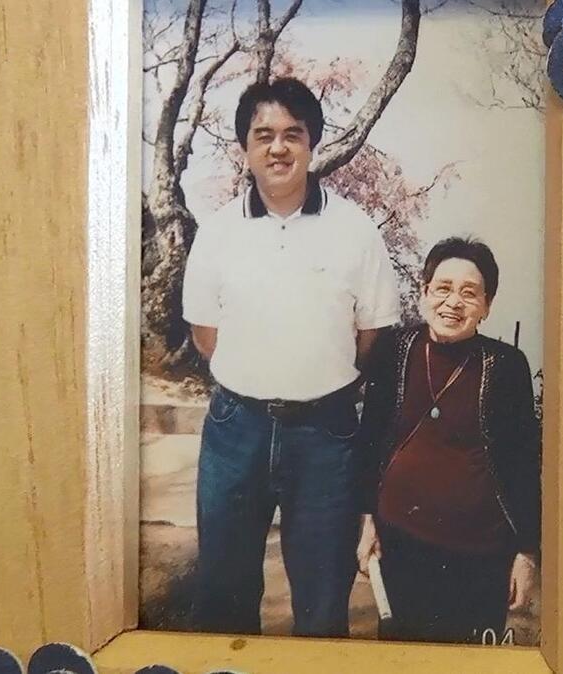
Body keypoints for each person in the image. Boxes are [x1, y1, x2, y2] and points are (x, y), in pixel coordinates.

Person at [181, 77, 401, 638]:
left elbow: (372, 334)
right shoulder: (219, 231)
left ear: (311, 142)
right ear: (246, 148)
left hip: (325, 436)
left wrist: (315, 375)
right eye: (264, 135)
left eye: (292, 134)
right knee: (223, 594)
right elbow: (206, 334)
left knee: (324, 602)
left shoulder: (355, 231)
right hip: (237, 432)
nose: (278, 148)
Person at [355, 236, 541, 644]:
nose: (452, 302)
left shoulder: (508, 367)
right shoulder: (394, 350)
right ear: (424, 293)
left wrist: (527, 554)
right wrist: (366, 519)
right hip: (401, 545)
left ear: (487, 306)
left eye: (469, 293)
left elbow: (525, 464)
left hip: (480, 557)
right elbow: (370, 439)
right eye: (442, 288)